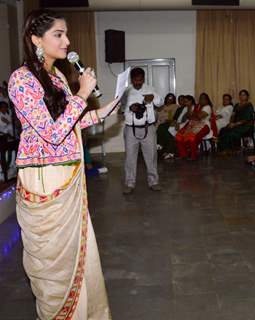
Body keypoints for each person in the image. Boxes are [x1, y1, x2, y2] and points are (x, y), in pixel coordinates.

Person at [8, 9, 118, 319]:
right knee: (54, 269)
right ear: (36, 40)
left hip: (68, 176)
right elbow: (52, 134)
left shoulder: (56, 76)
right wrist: (82, 93)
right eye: (59, 34)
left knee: (78, 257)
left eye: (66, 33)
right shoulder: (21, 80)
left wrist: (102, 112)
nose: (67, 41)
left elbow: (70, 123)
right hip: (45, 181)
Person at [121, 67, 164, 194]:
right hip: (130, 129)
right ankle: (129, 183)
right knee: (130, 157)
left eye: (140, 80)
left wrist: (153, 98)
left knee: (151, 156)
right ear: (131, 79)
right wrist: (130, 107)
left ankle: (154, 182)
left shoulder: (150, 89)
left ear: (143, 78)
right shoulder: (126, 91)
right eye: (135, 80)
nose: (138, 82)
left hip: (148, 128)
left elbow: (160, 102)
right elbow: (121, 108)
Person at [175, 92, 214, 160]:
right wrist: (189, 108)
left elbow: (199, 117)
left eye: (203, 98)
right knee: (179, 136)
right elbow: (188, 116)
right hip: (192, 123)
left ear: (207, 100)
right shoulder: (196, 106)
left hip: (204, 125)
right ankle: (183, 155)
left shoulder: (207, 107)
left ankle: (193, 156)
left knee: (192, 137)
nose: (201, 100)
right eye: (200, 98)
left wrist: (193, 115)